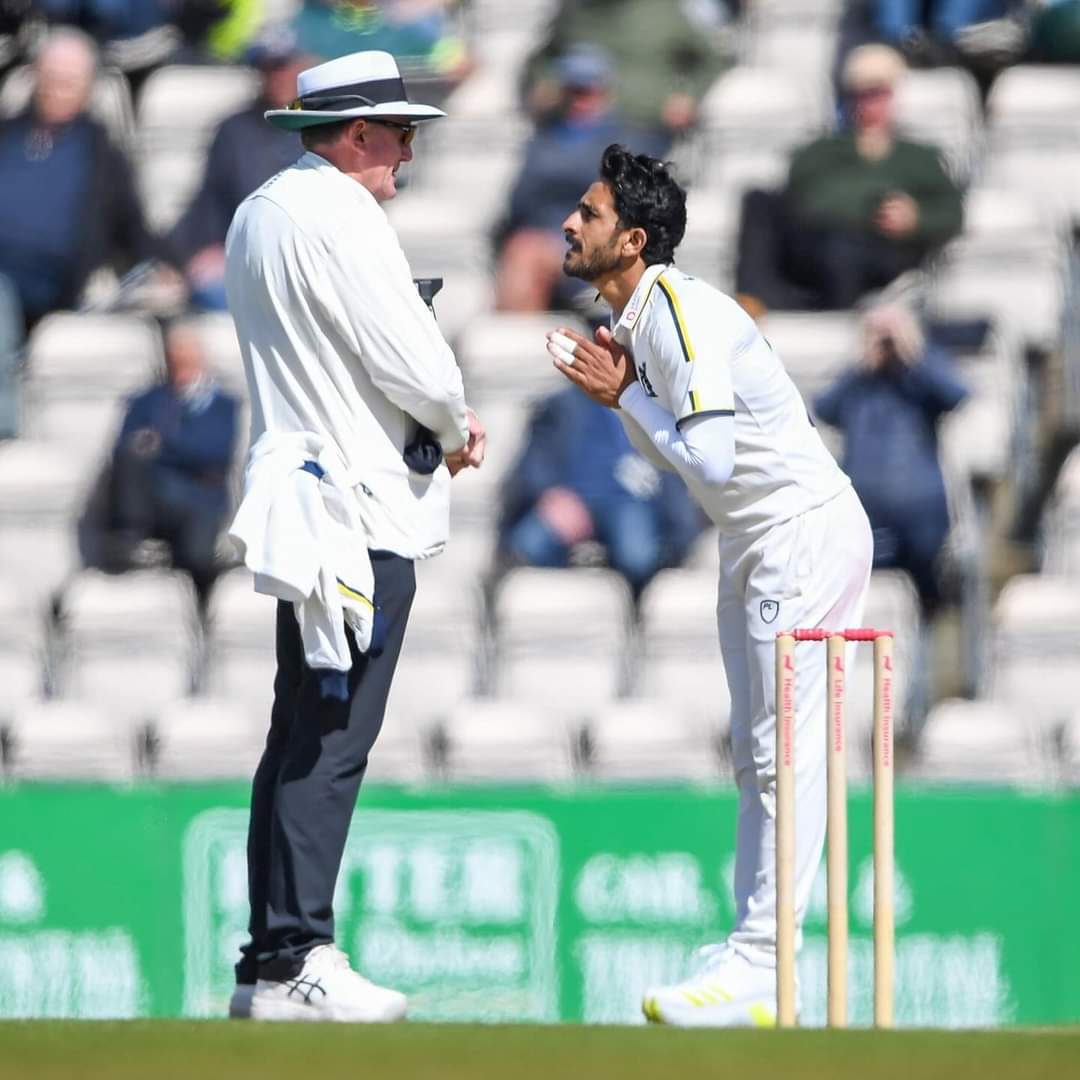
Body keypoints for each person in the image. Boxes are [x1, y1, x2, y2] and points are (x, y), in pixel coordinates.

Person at [546, 144, 873, 1026]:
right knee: (756, 754)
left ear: (636, 238)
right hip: (757, 539)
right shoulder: (644, 319)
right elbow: (698, 463)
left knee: (784, 754)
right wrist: (629, 401)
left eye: (591, 213)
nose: (571, 223)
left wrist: (628, 400)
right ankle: (751, 953)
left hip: (798, 533)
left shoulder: (675, 311)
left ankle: (766, 964)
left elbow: (712, 458)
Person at [223, 49, 485, 1023]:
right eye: (402, 133)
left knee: (299, 731)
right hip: (364, 513)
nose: (407, 153)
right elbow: (411, 358)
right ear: (362, 132)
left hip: (303, 504)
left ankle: (269, 960)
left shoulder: (258, 213)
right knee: (333, 737)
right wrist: (458, 428)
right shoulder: (344, 214)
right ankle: (298, 958)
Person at [735, 44, 963, 316]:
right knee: (760, 201)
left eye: (879, 94)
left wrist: (916, 218)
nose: (870, 104)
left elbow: (951, 212)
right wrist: (873, 204)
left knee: (845, 251)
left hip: (881, 253)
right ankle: (755, 300)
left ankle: (842, 316)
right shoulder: (822, 150)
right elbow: (809, 197)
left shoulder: (918, 157)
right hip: (820, 244)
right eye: (862, 95)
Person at [814, 304, 968, 616]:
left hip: (921, 508)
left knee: (927, 598)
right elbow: (824, 408)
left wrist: (912, 354)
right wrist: (862, 364)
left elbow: (956, 394)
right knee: (869, 600)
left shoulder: (920, 376)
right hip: (865, 508)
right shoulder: (858, 381)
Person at [0, 27, 156, 334]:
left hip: (52, 283)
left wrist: (163, 264)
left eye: (67, 83)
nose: (55, 91)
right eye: (49, 79)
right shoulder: (7, 133)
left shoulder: (101, 151)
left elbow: (132, 223)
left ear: (86, 90)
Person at [78, 319, 238, 609]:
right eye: (176, 361)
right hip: (155, 495)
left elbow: (214, 452)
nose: (181, 370)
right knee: (133, 463)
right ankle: (131, 539)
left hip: (200, 497)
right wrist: (172, 448)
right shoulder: (147, 401)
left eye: (187, 361)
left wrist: (163, 443)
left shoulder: (224, 406)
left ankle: (202, 600)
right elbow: (124, 448)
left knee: (198, 547)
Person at [496, 385, 705, 599]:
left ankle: (632, 612)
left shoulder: (656, 410)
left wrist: (678, 537)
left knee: (637, 555)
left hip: (632, 503)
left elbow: (674, 486)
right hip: (571, 501)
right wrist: (549, 494)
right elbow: (533, 467)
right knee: (529, 544)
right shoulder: (562, 404)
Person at [495, 44, 653, 312]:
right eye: (574, 90)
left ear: (605, 92)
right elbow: (519, 201)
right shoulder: (543, 139)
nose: (580, 99)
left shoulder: (625, 141)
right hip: (545, 234)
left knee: (526, 254)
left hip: (600, 239)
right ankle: (520, 347)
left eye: (588, 90)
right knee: (524, 252)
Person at [166, 25, 311, 311]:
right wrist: (204, 249)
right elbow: (211, 198)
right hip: (244, 257)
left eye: (283, 65)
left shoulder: (324, 129)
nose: (276, 76)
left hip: (309, 258)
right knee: (207, 288)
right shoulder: (234, 130)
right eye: (267, 67)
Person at [522, 0, 732, 152]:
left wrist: (689, 96)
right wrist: (543, 82)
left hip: (639, 125)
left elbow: (711, 59)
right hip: (572, 127)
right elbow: (543, 57)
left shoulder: (667, 10)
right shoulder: (574, 11)